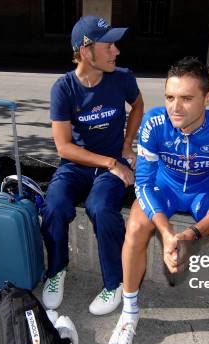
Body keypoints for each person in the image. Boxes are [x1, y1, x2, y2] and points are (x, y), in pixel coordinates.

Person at [107, 57, 209, 344]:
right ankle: (129, 314)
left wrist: (192, 234)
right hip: (165, 186)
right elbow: (142, 182)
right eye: (170, 97)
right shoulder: (154, 123)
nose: (175, 106)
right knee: (136, 226)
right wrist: (167, 231)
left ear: (207, 98)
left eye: (186, 98)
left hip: (205, 190)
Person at [41, 16, 144, 315]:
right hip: (77, 163)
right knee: (55, 205)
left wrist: (126, 146)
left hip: (112, 164)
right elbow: (64, 147)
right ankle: (56, 270)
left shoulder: (122, 77)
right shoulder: (63, 88)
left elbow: (137, 106)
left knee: (101, 208)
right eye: (109, 45)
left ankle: (115, 283)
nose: (117, 51)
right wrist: (112, 162)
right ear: (85, 51)